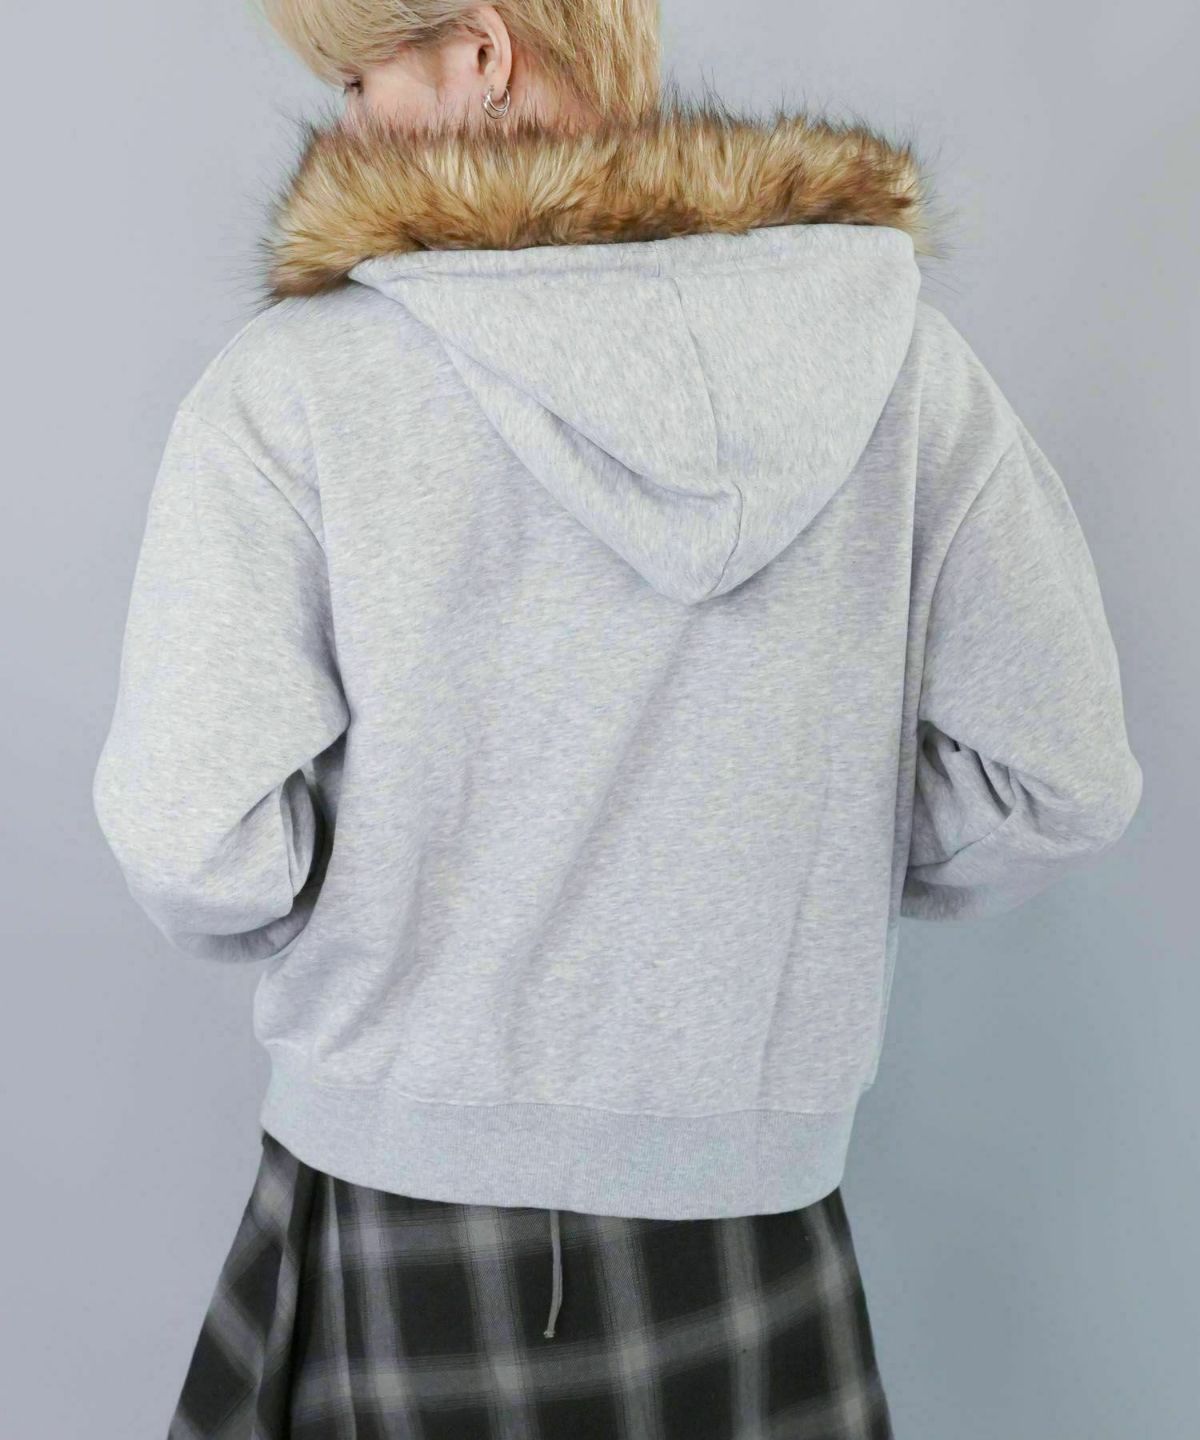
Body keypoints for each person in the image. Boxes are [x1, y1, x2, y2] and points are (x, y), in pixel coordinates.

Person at [90, 2, 1143, 1435]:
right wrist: (796, 841)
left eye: (360, 73)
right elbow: (1062, 779)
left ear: (482, 54)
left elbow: (194, 846)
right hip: (762, 1231)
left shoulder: (299, 386)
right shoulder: (900, 360)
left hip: (412, 1221)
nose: (346, 120)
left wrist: (395, 871)